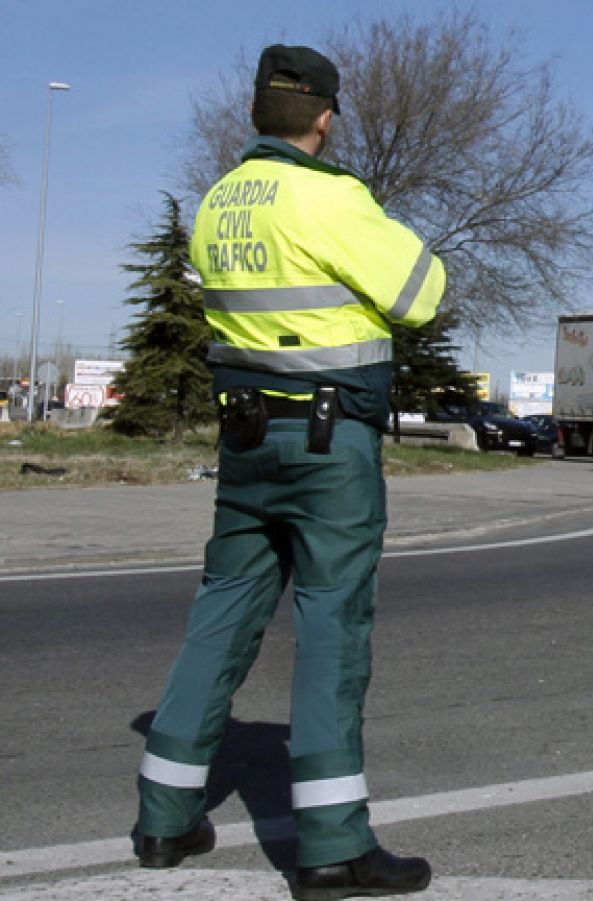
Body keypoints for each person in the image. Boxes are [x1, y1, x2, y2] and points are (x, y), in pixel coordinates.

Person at [133, 44, 445, 900]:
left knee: (221, 612)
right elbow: (423, 294)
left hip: (243, 444)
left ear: (253, 115)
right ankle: (333, 849)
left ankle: (163, 818)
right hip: (327, 441)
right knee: (332, 626)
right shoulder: (332, 197)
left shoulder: (217, 203)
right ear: (323, 117)